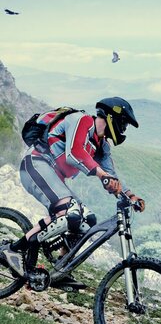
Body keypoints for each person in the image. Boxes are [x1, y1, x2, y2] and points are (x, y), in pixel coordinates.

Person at [0, 97, 145, 290]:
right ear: (113, 116)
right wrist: (102, 175)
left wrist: (129, 195)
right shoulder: (82, 120)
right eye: (124, 123)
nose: (124, 128)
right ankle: (13, 249)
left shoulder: (102, 146)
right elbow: (74, 153)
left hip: (53, 177)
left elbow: (112, 175)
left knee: (88, 220)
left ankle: (61, 269)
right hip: (36, 164)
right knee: (69, 210)